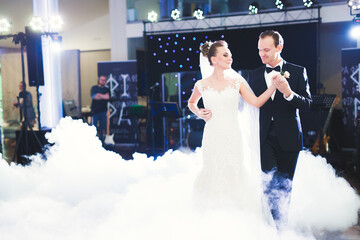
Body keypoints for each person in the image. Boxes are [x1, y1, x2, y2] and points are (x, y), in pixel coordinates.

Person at [188, 40, 280, 224]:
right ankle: (212, 220)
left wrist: (273, 87)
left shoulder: (237, 82)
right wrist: (199, 112)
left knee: (234, 173)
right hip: (212, 135)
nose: (230, 57)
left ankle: (236, 221)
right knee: (212, 172)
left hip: (232, 134)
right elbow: (191, 103)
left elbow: (255, 102)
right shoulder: (201, 84)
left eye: (229, 54)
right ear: (213, 59)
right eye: (225, 55)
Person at [247, 30, 312, 222]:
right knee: (268, 181)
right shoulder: (254, 75)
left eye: (266, 50)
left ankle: (281, 225)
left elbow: (308, 105)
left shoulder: (299, 71)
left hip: (289, 137)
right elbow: (250, 105)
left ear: (279, 48)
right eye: (259, 50)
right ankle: (269, 226)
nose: (262, 54)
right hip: (263, 137)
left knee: (285, 186)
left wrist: (289, 93)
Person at [91, 75, 110, 142]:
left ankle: (102, 143)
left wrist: (99, 95)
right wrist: (103, 96)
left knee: (103, 128)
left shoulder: (107, 89)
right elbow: (94, 97)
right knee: (93, 128)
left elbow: (107, 97)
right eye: (101, 80)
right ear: (99, 80)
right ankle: (94, 143)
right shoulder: (94, 88)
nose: (103, 81)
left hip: (103, 111)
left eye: (104, 80)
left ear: (106, 81)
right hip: (95, 111)